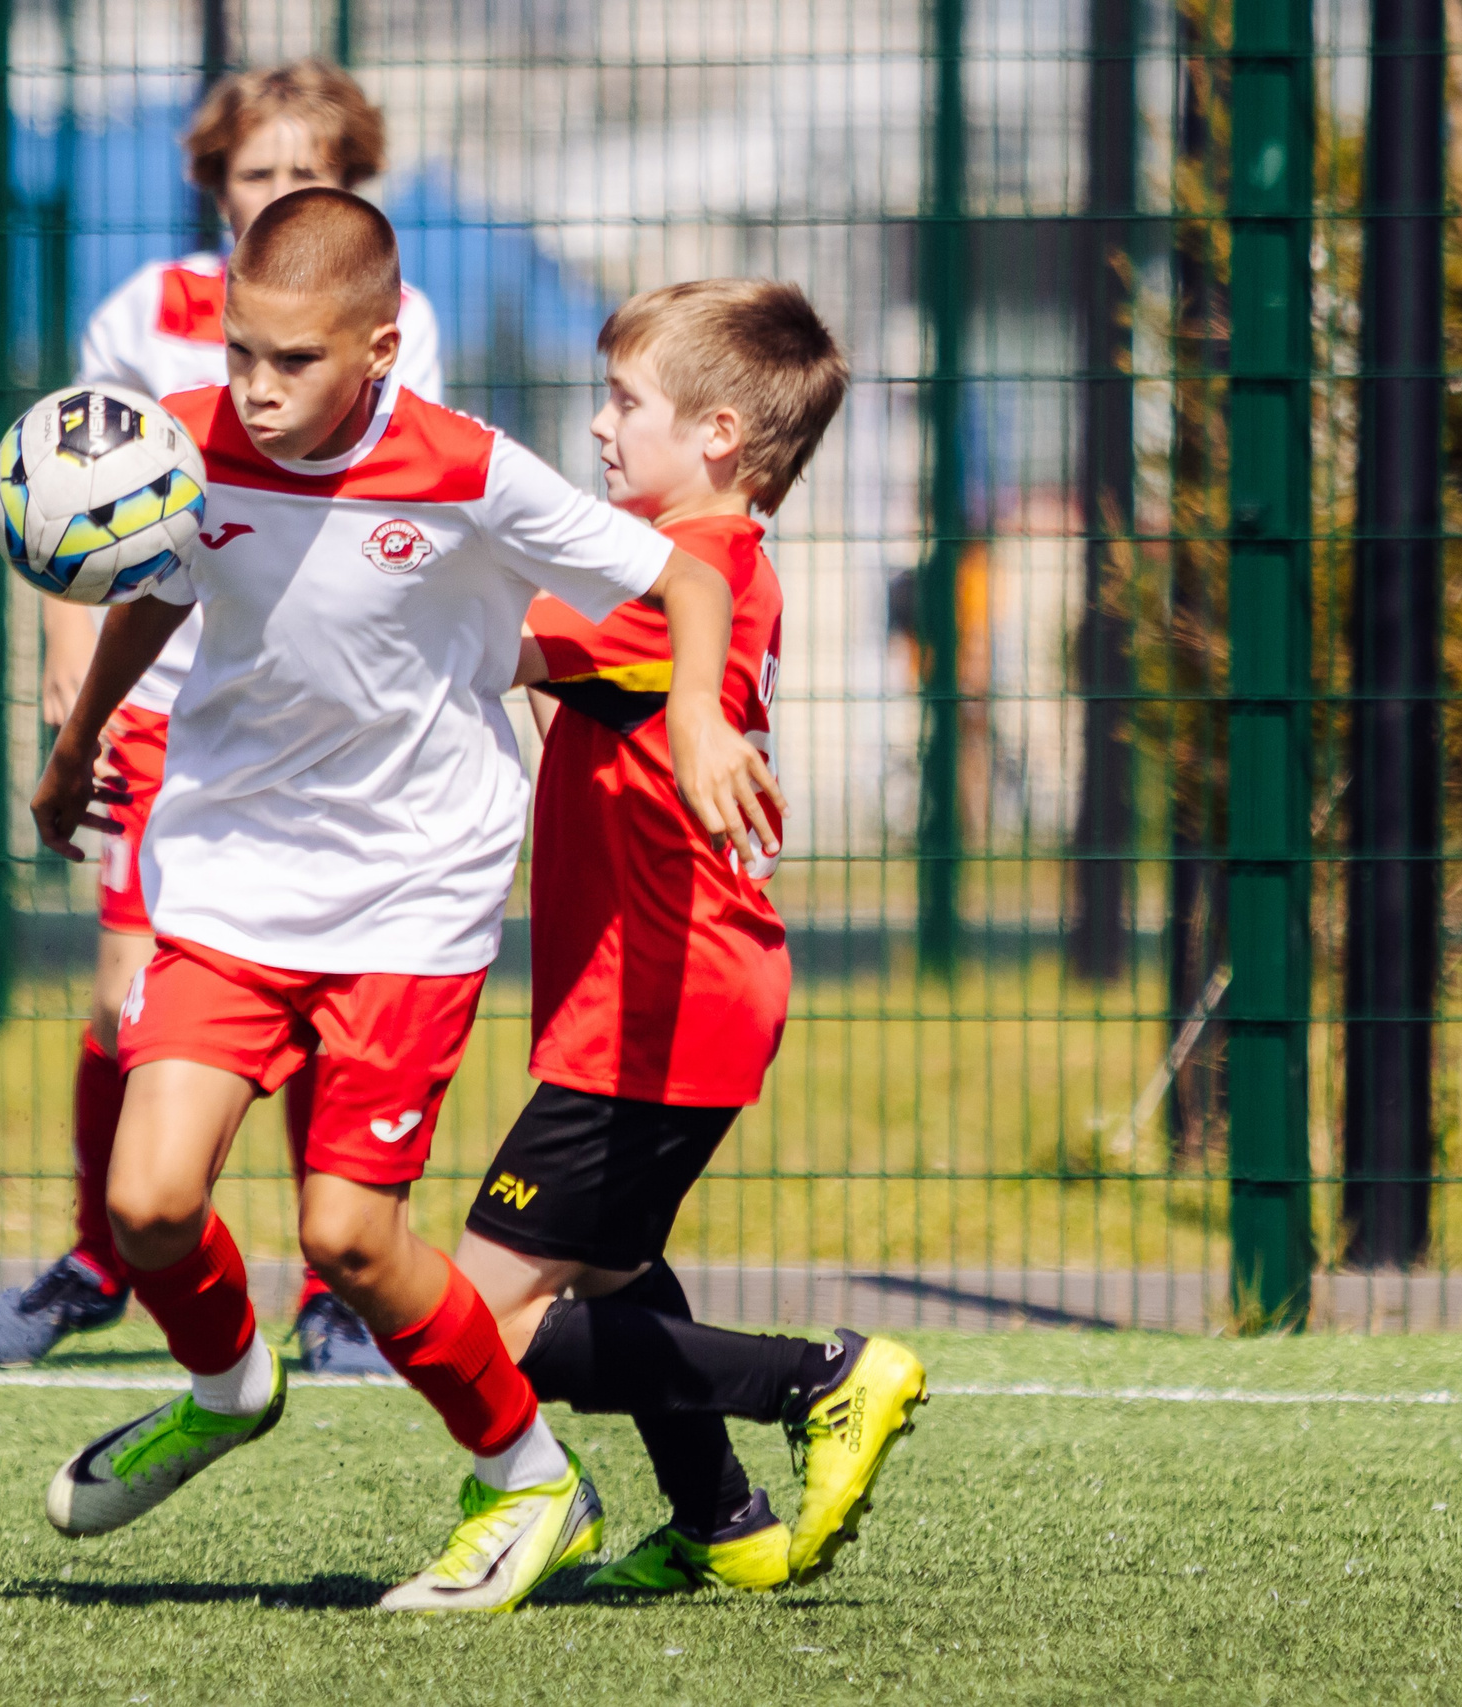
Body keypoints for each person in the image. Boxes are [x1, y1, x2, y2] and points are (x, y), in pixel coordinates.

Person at [29, 189, 784, 1614]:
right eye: (243, 352)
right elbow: (155, 582)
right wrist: (74, 747)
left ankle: (527, 1481)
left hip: (410, 902)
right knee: (144, 1202)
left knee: (350, 1242)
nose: (259, 387)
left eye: (294, 362)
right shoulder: (193, 443)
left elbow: (683, 576)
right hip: (231, 880)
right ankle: (226, 1384)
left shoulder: (467, 469)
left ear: (381, 347)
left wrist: (694, 714)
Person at [0, 60, 441, 1376]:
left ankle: (333, 1286)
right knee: (132, 1004)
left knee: (328, 993)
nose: (279, 193)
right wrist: (74, 679)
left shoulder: (404, 319)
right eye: (255, 172)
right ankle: (105, 1256)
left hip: (313, 727)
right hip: (169, 714)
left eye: (309, 172)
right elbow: (83, 505)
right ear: (214, 187)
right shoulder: (148, 312)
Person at [455, 280, 927, 1593]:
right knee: (610, 1266)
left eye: (625, 403)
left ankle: (818, 1379)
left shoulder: (676, 581)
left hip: (654, 1005)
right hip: (686, 991)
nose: (600, 427)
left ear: (719, 433)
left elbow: (483, 650)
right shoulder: (720, 572)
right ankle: (723, 1520)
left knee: (471, 1315)